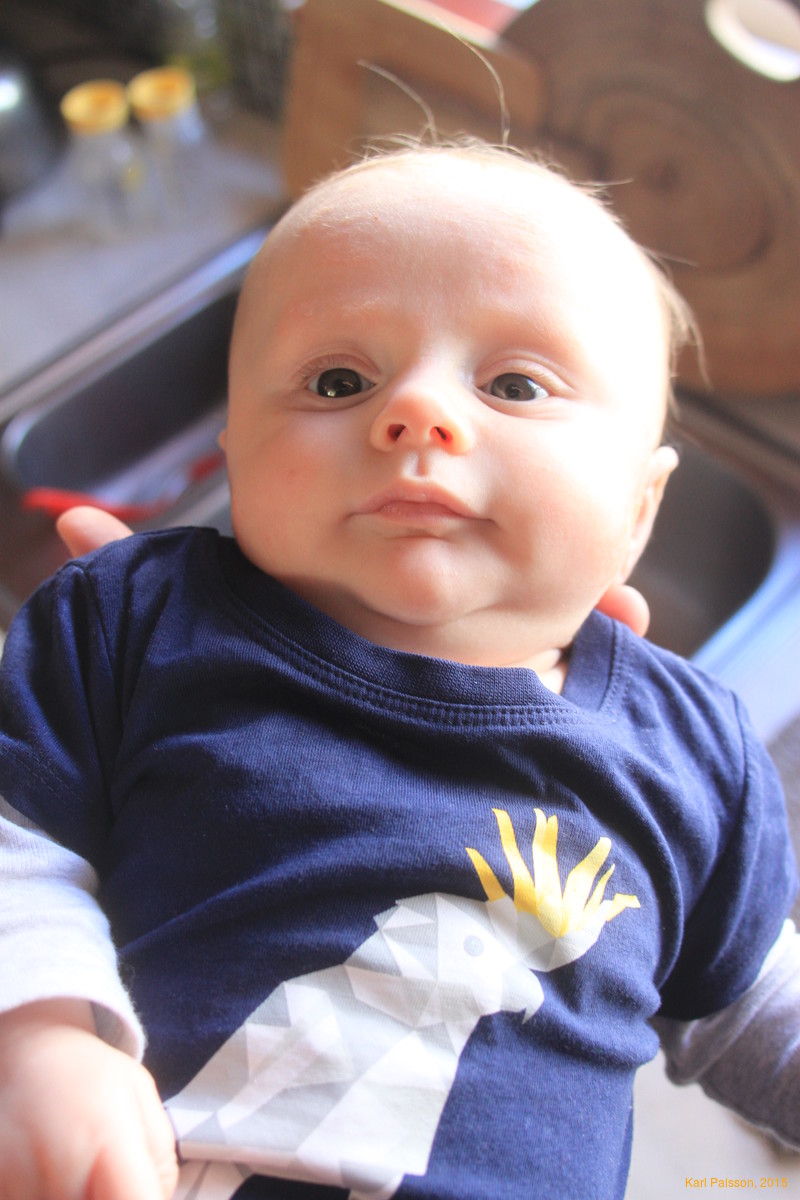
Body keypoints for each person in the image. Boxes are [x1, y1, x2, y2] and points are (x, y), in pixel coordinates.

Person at [1, 141, 798, 1200]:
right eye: (338, 378)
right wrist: (44, 1033)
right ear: (234, 455)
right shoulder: (137, 619)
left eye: (514, 383)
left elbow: (743, 997)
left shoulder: (691, 751)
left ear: (638, 509)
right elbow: (16, 840)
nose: (415, 413)